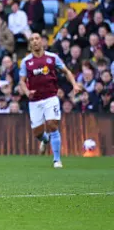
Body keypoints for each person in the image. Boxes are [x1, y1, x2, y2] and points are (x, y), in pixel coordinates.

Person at [18, 33, 81, 169]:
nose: (35, 41)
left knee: (53, 125)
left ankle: (56, 160)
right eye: (32, 40)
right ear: (30, 45)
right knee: (37, 133)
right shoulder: (26, 62)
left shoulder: (52, 58)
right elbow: (22, 81)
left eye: (37, 39)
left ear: (42, 42)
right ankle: (45, 140)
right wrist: (27, 92)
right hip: (35, 101)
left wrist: (75, 85)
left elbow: (66, 71)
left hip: (51, 97)